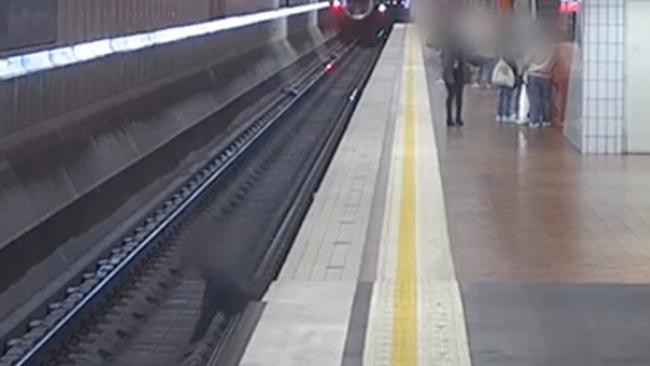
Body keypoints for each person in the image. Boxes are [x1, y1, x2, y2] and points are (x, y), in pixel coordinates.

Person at [525, 32, 556, 128]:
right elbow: (554, 61)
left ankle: (535, 120)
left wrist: (523, 70)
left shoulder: (534, 47)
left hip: (534, 75)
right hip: (547, 76)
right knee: (546, 99)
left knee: (535, 99)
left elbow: (527, 60)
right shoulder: (551, 49)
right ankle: (546, 119)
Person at [441, 39, 468, 127]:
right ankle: (449, 118)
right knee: (451, 95)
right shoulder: (447, 47)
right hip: (450, 72)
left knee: (459, 96)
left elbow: (466, 60)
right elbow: (446, 63)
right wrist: (449, 78)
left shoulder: (463, 47)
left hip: (459, 73)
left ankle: (458, 117)